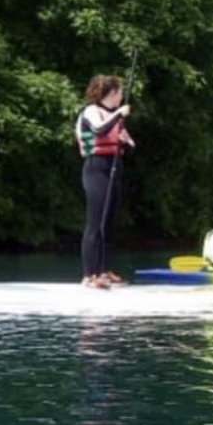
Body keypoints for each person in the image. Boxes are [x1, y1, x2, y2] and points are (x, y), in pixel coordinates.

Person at [76, 74, 135, 289]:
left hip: (114, 169)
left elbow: (130, 146)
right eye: (119, 92)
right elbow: (98, 129)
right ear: (111, 93)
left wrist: (125, 140)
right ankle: (89, 273)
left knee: (109, 223)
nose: (121, 96)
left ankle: (104, 269)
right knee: (96, 222)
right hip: (96, 169)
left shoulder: (115, 117)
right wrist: (119, 114)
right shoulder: (92, 111)